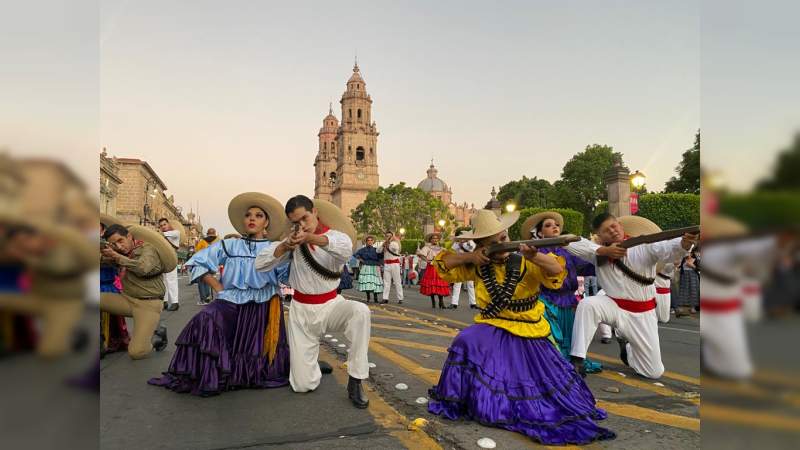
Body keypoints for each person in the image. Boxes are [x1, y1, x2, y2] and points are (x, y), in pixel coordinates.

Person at [427, 209, 615, 445]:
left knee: (543, 386)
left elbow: (557, 270)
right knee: (466, 340)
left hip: (529, 327)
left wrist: (535, 256)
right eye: (492, 242)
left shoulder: (525, 258)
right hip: (494, 323)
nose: (501, 244)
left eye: (503, 239)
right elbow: (443, 264)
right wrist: (470, 258)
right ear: (481, 245)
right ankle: (466, 398)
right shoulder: (478, 263)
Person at [149, 192, 297, 396]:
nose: (252, 218)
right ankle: (209, 373)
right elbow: (198, 263)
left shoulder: (275, 248)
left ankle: (251, 372)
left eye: (258, 215)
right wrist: (219, 288)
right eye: (248, 215)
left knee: (254, 349)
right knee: (205, 319)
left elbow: (287, 275)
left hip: (264, 304)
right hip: (232, 299)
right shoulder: (230, 245)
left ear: (267, 223)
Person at [255, 195, 371, 409]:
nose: (301, 225)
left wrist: (311, 238)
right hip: (301, 311)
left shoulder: (336, 237)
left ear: (315, 212)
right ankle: (310, 364)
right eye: (296, 222)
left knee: (361, 311)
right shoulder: (291, 241)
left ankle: (356, 379)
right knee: (302, 385)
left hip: (331, 305)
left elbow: (345, 249)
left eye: (305, 218)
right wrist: (284, 247)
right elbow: (260, 264)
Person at [567, 214, 697, 379]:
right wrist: (603, 250)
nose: (613, 231)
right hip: (614, 307)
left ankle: (627, 348)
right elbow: (572, 242)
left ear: (621, 225)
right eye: (607, 231)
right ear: (600, 237)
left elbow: (667, 248)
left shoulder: (644, 245)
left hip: (642, 314)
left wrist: (685, 243)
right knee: (588, 304)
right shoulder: (597, 253)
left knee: (653, 372)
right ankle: (577, 359)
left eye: (614, 226)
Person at [521, 211, 602, 374]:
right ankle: (552, 364)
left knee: (571, 338)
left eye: (556, 225)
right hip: (546, 302)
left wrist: (603, 257)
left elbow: (587, 266)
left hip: (568, 301)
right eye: (548, 225)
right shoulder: (536, 253)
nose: (555, 227)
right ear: (540, 233)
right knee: (552, 339)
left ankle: (569, 361)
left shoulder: (569, 251)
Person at [100, 223, 173, 359]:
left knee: (136, 352)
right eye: (114, 244)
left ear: (129, 236)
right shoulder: (121, 252)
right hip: (126, 299)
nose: (119, 246)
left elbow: (143, 268)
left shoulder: (148, 249)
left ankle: (157, 334)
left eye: (120, 241)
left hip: (148, 305)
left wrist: (117, 256)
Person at [99, 218, 130, 356]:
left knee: (112, 316)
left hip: (107, 285)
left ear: (103, 230)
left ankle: (111, 342)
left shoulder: (112, 246)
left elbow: (121, 262)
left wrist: (111, 255)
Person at [417, 232, 450, 308]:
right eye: (433, 238)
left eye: (436, 238)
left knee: (440, 284)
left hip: (439, 267)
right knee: (432, 284)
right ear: (430, 240)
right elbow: (421, 255)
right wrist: (428, 261)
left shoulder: (441, 248)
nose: (435, 240)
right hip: (431, 267)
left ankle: (441, 302)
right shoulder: (427, 248)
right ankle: (433, 302)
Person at [158, 218, 181, 312]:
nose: (163, 227)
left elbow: (163, 234)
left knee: (172, 281)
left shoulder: (176, 232)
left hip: (172, 259)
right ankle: (165, 302)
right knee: (163, 282)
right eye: (161, 226)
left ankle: (175, 302)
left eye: (164, 224)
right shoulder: (161, 235)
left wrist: (157, 233)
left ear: (169, 224)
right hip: (163, 259)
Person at [448, 236, 476, 309]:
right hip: (460, 264)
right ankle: (454, 303)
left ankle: (473, 303)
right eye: (461, 237)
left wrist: (463, 245)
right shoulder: (456, 244)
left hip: (469, 265)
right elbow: (452, 251)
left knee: (471, 284)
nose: (463, 239)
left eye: (464, 237)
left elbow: (472, 250)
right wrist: (456, 242)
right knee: (457, 284)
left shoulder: (471, 243)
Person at [194, 228, 220, 305]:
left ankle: (204, 299)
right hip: (212, 264)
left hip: (202, 264)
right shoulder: (217, 241)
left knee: (201, 282)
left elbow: (197, 253)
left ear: (207, 234)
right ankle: (208, 298)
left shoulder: (202, 242)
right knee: (208, 281)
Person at [354, 236, 383, 303]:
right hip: (366, 266)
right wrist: (361, 259)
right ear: (366, 242)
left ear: (373, 242)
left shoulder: (376, 249)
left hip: (375, 267)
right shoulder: (363, 250)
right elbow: (355, 254)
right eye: (368, 240)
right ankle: (368, 297)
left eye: (371, 240)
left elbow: (381, 256)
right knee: (367, 282)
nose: (370, 241)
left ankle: (375, 298)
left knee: (375, 282)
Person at [379, 231, 404, 304]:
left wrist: (388, 243)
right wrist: (383, 245)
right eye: (387, 236)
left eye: (390, 236)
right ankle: (385, 298)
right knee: (386, 282)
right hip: (387, 264)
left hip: (394, 264)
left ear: (392, 237)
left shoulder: (394, 243)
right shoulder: (384, 244)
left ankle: (400, 298)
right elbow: (378, 251)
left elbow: (395, 248)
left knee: (397, 282)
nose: (388, 237)